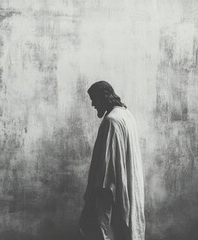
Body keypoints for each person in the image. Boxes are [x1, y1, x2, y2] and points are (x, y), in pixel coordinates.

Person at [79, 81, 145, 240]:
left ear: (104, 97)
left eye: (94, 99)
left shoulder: (112, 121)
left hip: (111, 197)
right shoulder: (126, 115)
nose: (93, 105)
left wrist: (95, 203)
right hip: (129, 191)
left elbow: (108, 174)